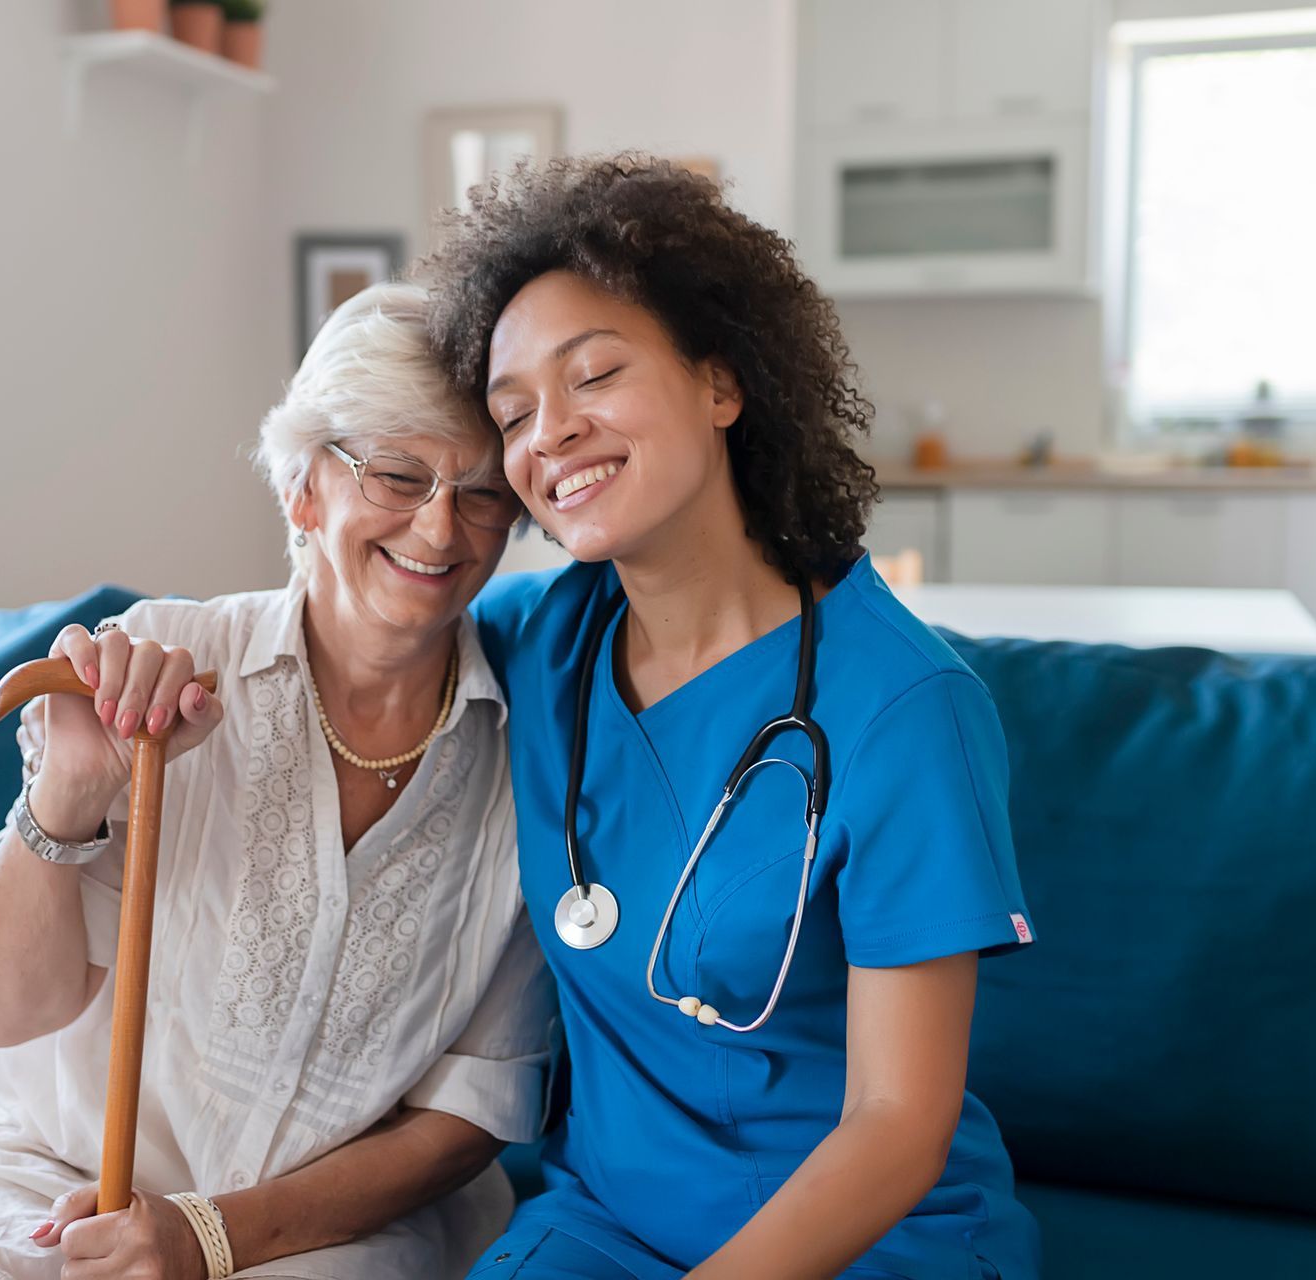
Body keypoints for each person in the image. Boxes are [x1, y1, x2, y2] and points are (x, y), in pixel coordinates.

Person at [423, 154, 1042, 1280]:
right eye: (512, 415)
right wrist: (166, 647)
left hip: (870, 1241)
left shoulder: (905, 709)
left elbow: (898, 1122)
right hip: (604, 1225)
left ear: (722, 382)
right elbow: (350, 633)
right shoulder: (539, 640)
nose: (548, 434)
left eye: (595, 373)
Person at [0, 282, 555, 1280]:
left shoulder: (532, 749)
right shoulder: (159, 665)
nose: (439, 530)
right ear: (303, 489)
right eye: (396, 475)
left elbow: (470, 1116)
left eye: (480, 493)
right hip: (57, 1188)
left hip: (316, 1232)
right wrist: (69, 790)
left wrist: (210, 1235)